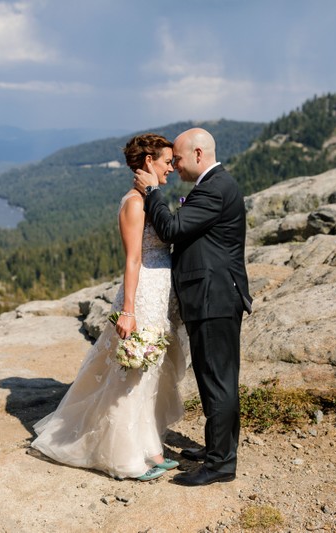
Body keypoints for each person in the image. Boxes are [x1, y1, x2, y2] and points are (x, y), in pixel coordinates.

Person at [31, 133, 188, 481]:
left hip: (161, 293)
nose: (171, 169)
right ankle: (126, 458)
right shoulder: (134, 203)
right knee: (132, 375)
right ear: (148, 162)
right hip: (143, 292)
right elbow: (132, 260)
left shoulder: (151, 198)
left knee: (151, 375)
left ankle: (151, 449)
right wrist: (128, 311)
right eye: (166, 162)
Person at [133, 127, 252, 486]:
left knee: (218, 382)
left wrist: (151, 191)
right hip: (209, 297)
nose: (177, 168)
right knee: (213, 379)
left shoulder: (215, 188)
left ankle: (220, 465)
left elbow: (170, 229)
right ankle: (217, 448)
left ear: (199, 155)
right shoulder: (212, 186)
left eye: (180, 160)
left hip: (213, 298)